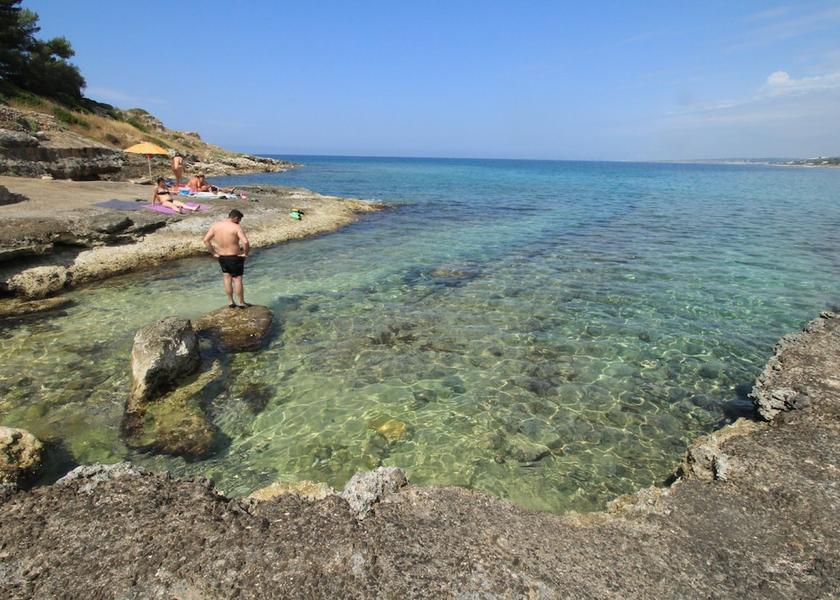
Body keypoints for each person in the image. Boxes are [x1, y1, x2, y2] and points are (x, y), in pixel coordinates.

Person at [203, 209, 251, 308]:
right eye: (239, 220)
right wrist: (245, 253)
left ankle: (230, 302)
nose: (239, 222)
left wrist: (213, 253)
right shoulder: (236, 227)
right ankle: (241, 303)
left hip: (222, 257)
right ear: (236, 218)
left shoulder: (216, 226)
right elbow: (245, 242)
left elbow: (206, 240)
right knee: (237, 279)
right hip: (234, 257)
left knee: (227, 278)